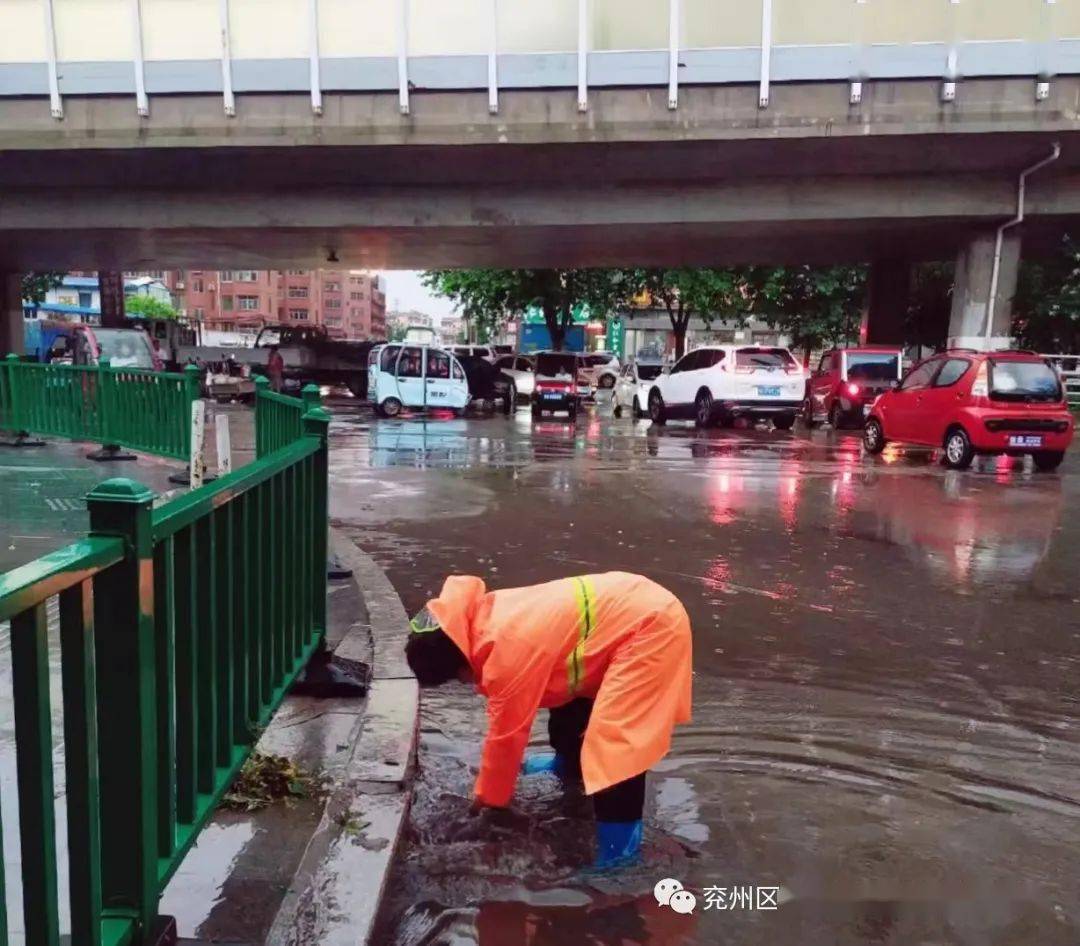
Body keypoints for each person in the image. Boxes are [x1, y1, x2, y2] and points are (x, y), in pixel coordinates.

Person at [404, 571, 693, 868]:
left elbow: (506, 738)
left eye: (457, 678)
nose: (466, 683)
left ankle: (619, 856)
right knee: (566, 695)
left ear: (460, 662)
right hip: (620, 617)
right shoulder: (484, 619)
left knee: (615, 749)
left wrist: (486, 803)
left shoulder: (505, 652)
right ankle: (568, 767)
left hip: (650, 627)